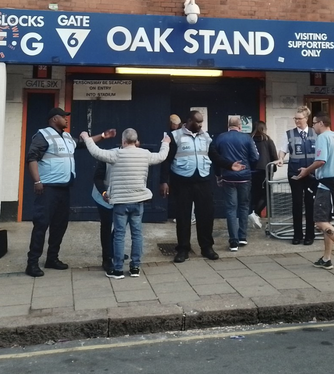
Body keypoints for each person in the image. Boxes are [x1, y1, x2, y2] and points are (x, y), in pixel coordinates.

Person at [25, 107, 115, 277]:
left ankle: (52, 258)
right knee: (41, 225)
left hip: (64, 189)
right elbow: (32, 158)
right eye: (63, 117)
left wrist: (103, 136)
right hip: (47, 188)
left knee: (60, 225)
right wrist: (37, 181)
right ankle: (32, 263)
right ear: (54, 119)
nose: (67, 120)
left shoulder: (66, 137)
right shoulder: (42, 135)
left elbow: (83, 143)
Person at [82, 128, 171, 278]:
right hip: (138, 202)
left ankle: (117, 269)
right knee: (137, 235)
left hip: (120, 202)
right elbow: (161, 156)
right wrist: (166, 143)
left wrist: (86, 137)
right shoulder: (144, 154)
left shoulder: (116, 154)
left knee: (119, 235)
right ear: (136, 142)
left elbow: (95, 151)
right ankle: (135, 267)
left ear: (123, 141)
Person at [293, 113, 334, 272]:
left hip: (326, 186)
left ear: (321, 123)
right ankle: (326, 258)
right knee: (326, 221)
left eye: (314, 123)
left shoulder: (323, 138)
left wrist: (306, 171)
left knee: (320, 222)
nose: (313, 126)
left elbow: (321, 160)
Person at [160, 110, 219, 262]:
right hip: (182, 182)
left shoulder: (206, 136)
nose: (200, 125)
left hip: (203, 181)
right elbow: (166, 160)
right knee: (183, 216)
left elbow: (214, 156)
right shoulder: (175, 136)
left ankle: (207, 248)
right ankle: (183, 249)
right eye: (197, 122)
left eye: (201, 123)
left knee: (205, 216)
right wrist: (164, 181)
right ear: (189, 121)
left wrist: (230, 165)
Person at [211, 116, 260, 251]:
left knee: (230, 208)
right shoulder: (247, 138)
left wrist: (218, 175)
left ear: (228, 126)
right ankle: (242, 237)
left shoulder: (220, 138)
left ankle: (233, 242)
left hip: (228, 177)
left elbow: (216, 158)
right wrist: (250, 168)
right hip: (244, 177)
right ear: (239, 126)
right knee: (244, 206)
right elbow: (255, 157)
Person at [278, 106, 318, 245]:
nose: (296, 121)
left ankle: (310, 235)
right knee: (296, 204)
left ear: (306, 119)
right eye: (295, 118)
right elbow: (283, 149)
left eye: (299, 118)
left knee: (310, 204)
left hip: (312, 174)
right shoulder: (289, 134)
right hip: (295, 173)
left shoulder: (315, 133)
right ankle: (297, 235)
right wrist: (281, 159)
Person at [249, 121, 276, 228]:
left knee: (254, 194)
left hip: (251, 171)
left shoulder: (249, 140)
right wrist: (274, 168)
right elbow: (274, 156)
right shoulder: (268, 140)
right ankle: (255, 213)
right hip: (265, 170)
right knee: (266, 194)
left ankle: (254, 213)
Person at [91, 160, 114, 274]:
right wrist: (104, 192)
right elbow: (97, 178)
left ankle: (114, 250)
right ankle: (107, 258)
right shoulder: (107, 158)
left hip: (121, 197)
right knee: (106, 224)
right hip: (103, 197)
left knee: (121, 224)